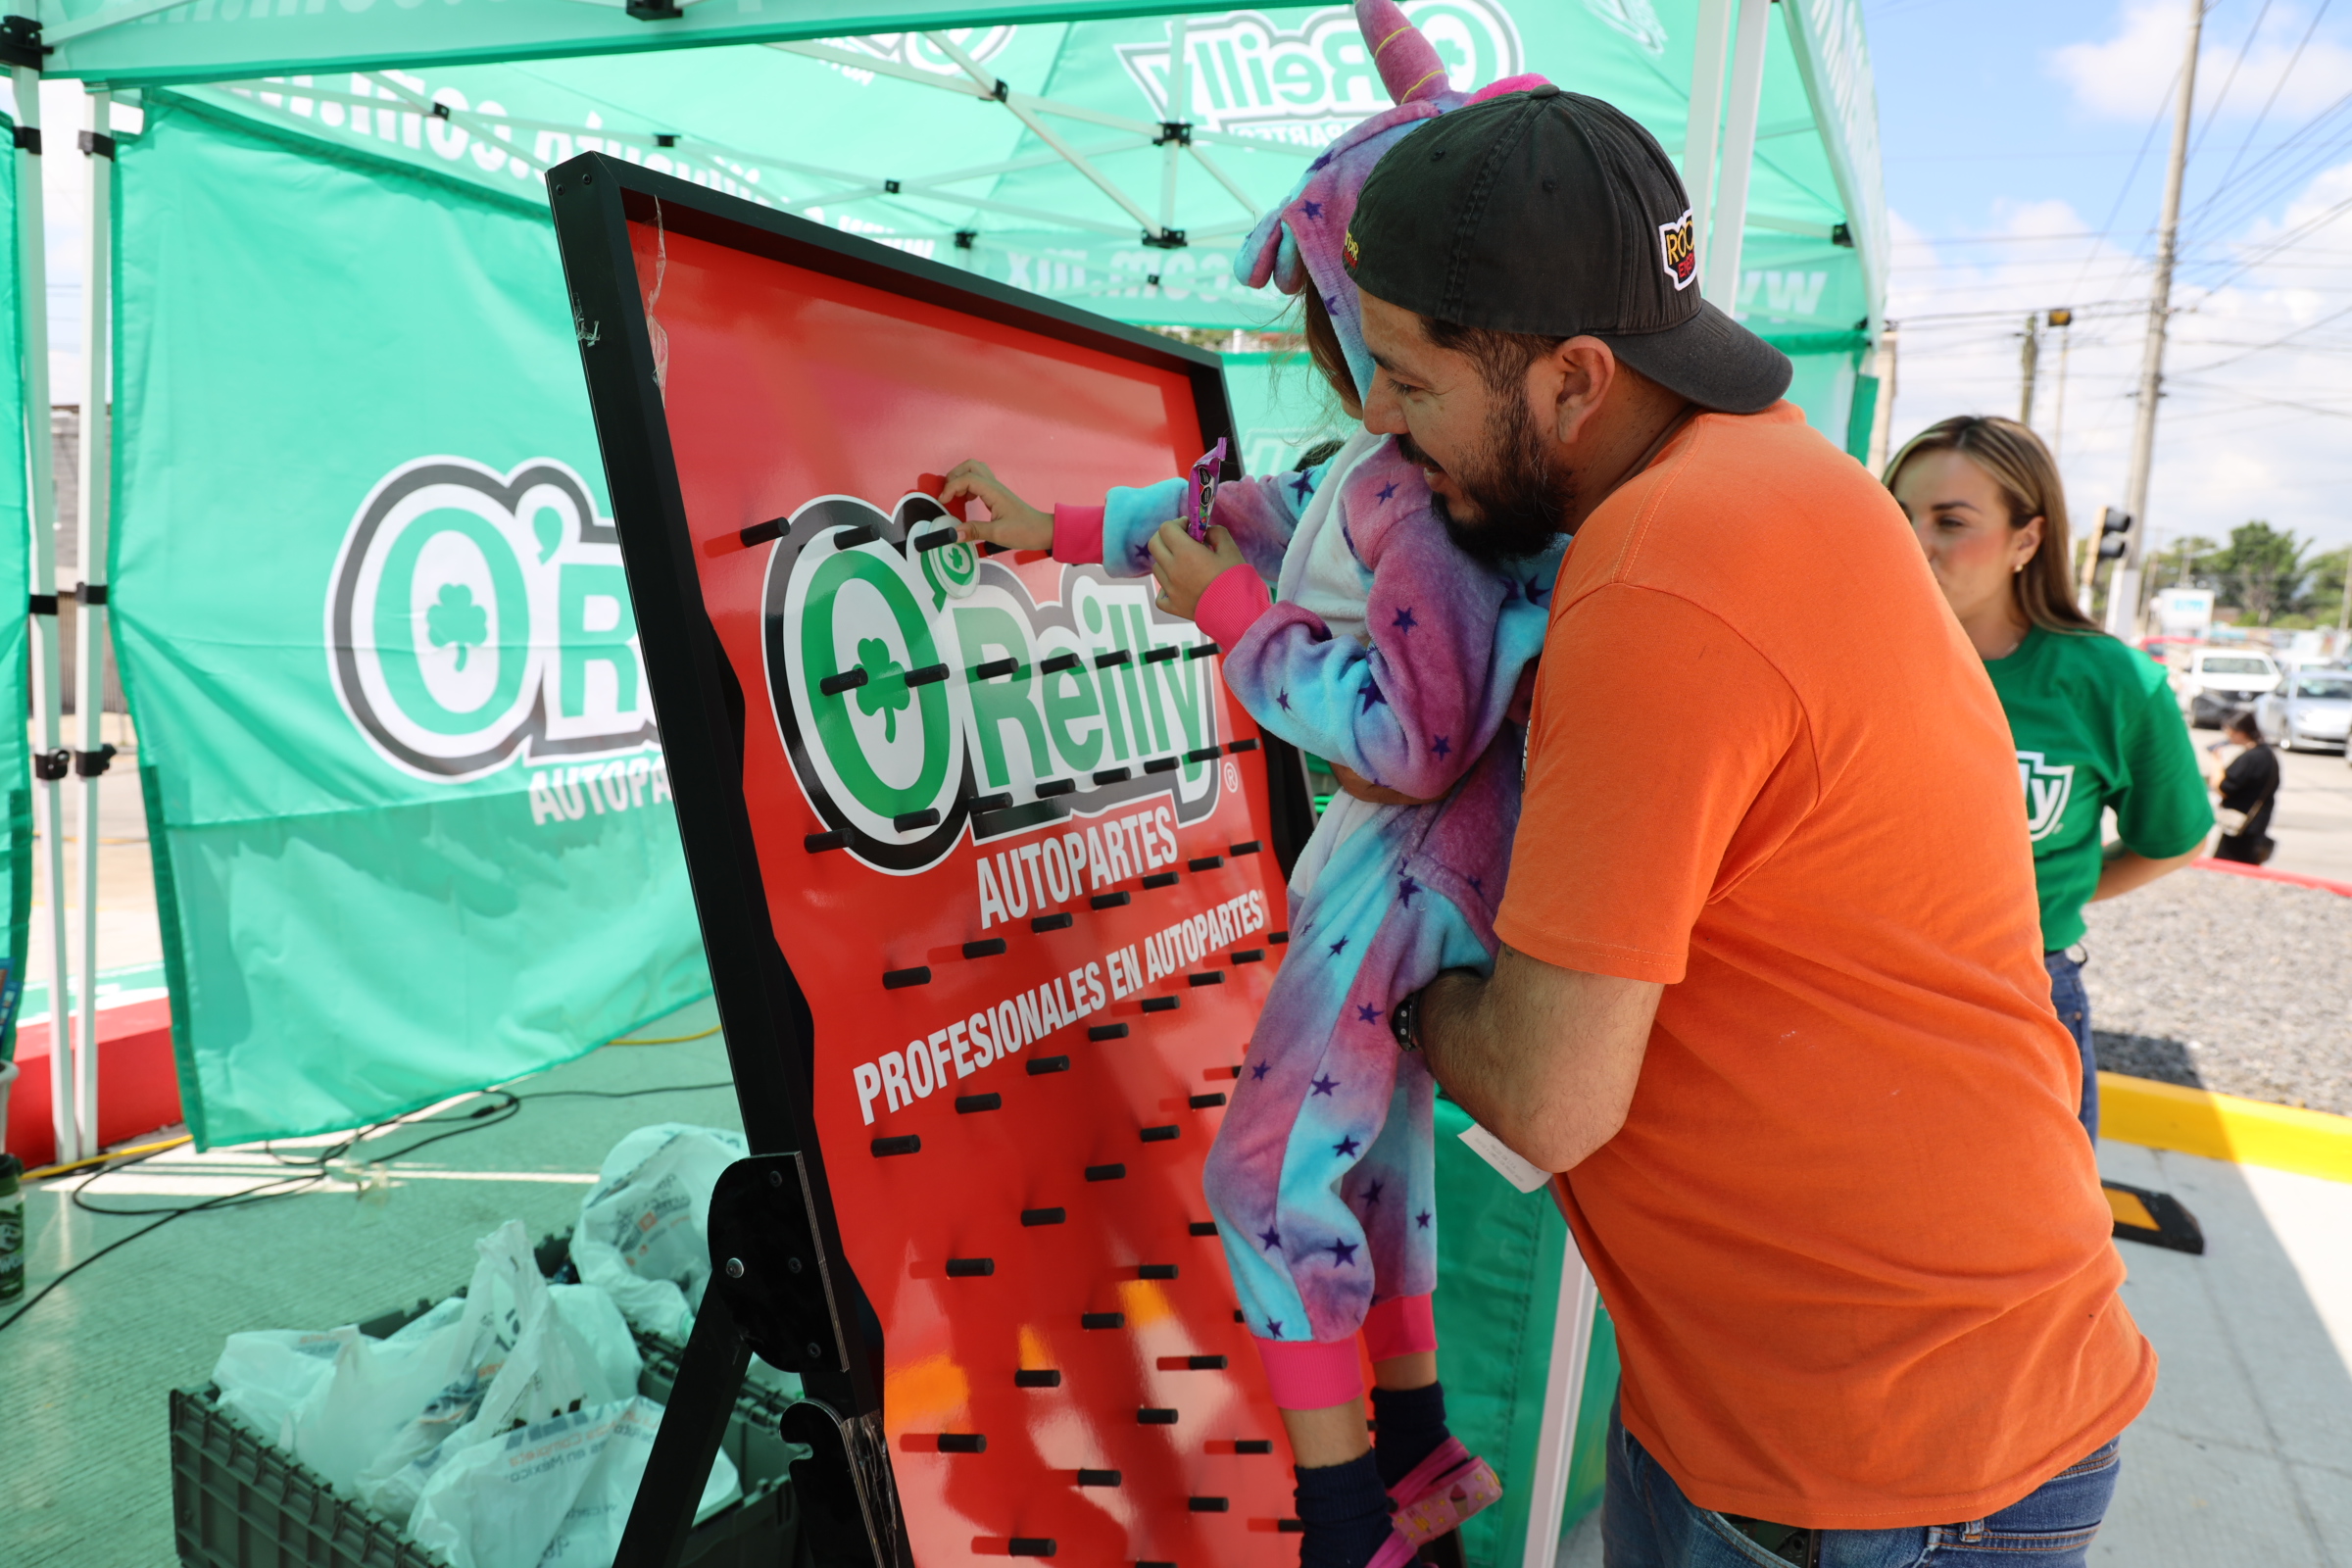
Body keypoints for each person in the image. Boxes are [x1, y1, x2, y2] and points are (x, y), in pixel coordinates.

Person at [1346, 89, 2151, 1566]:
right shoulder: (1779, 477)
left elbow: (1548, 1090)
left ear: (1576, 379)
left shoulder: (1663, 571)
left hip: (1876, 1465)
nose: (1374, 420)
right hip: (1837, 1409)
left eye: (1405, 375)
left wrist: (1373, 963)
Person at [942, 10, 1553, 1565]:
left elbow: (1413, 738)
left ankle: (1346, 1520)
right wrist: (1056, 526)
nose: (1338, 374)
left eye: (1346, 339)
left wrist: (1231, 614)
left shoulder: (1425, 505)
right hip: (1409, 872)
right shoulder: (1384, 474)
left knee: (1268, 1177)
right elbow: (1233, 502)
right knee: (1380, 1159)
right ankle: (1415, 1460)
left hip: (1412, 872)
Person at [1885, 416, 2211, 1140]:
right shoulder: (1847, 658)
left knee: (2022, 1242)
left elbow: (2174, 839)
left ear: (2027, 540)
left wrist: (2042, 896)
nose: (1915, 541)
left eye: (1950, 520)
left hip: (2022, 996)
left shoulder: (2113, 683)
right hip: (1858, 989)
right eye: (1898, 514)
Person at [2210, 709, 2280, 863]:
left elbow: (2223, 788)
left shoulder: (2250, 758)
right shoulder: (2268, 754)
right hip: (2256, 823)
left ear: (2240, 732)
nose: (2227, 736)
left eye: (2229, 731)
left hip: (2241, 825)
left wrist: (2216, 760)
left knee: (2225, 868)